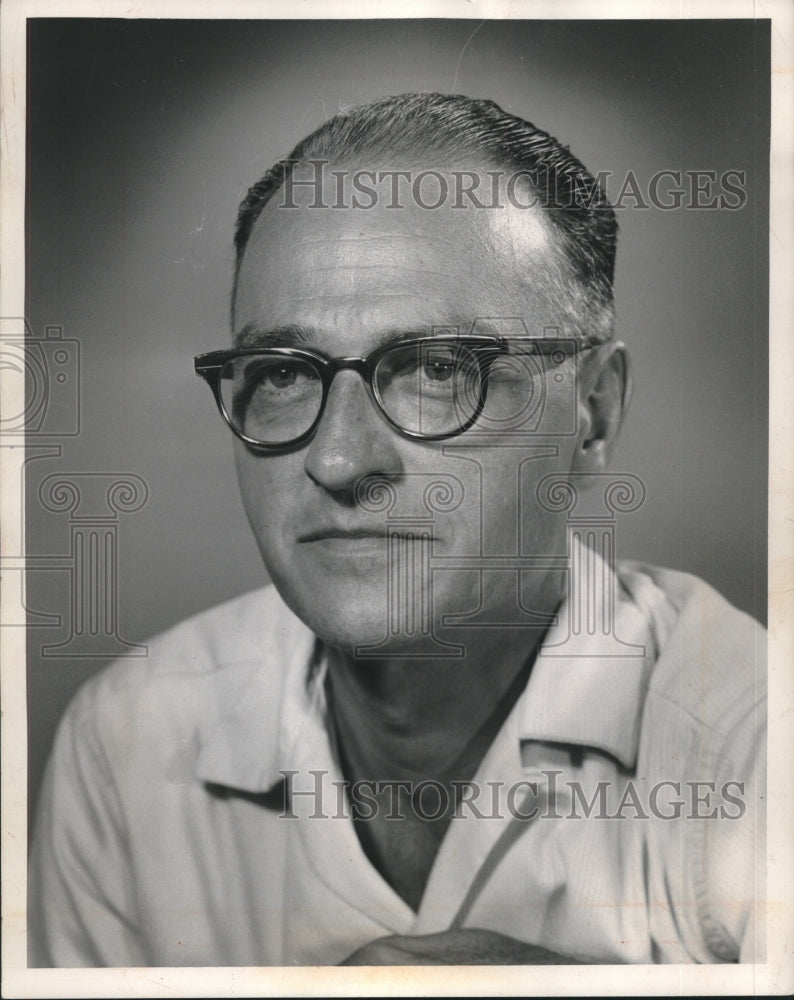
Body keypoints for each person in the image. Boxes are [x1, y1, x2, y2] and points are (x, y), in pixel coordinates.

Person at [28, 93, 765, 967]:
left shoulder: (756, 744)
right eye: (284, 374)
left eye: (437, 369)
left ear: (594, 413)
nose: (339, 462)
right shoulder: (124, 745)